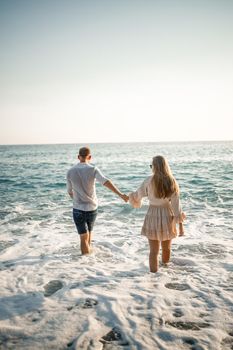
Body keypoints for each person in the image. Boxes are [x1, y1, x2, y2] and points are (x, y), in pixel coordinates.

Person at [128, 155, 185, 273]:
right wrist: (180, 223)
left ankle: (154, 278)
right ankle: (165, 272)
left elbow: (137, 196)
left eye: (151, 166)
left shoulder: (149, 180)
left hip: (152, 214)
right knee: (166, 248)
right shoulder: (172, 181)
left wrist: (129, 197)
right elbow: (176, 205)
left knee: (153, 251)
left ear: (154, 167)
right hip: (167, 215)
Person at [67, 146, 128, 255]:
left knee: (83, 237)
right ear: (89, 157)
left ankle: (84, 263)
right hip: (92, 208)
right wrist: (120, 195)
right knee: (89, 234)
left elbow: (69, 191)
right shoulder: (93, 169)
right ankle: (90, 261)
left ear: (78, 157)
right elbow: (106, 182)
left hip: (78, 209)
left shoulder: (70, 171)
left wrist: (76, 199)